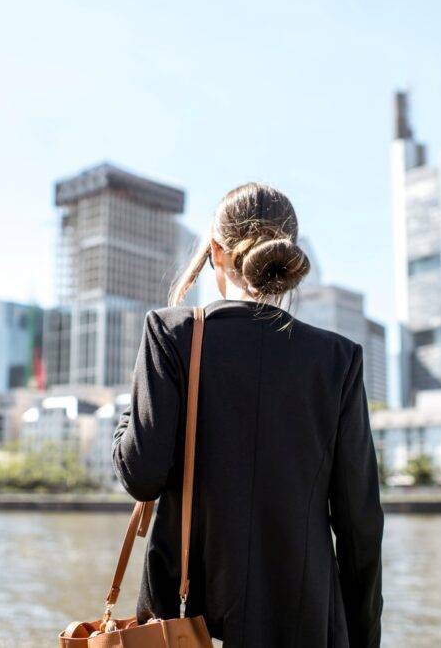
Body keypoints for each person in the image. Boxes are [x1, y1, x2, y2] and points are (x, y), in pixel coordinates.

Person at [112, 183, 384, 647]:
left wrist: (128, 416)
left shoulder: (173, 334)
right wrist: (363, 637)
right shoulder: (338, 358)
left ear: (216, 251)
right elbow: (359, 525)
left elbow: (142, 475)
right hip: (307, 622)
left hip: (187, 626)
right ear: (287, 256)